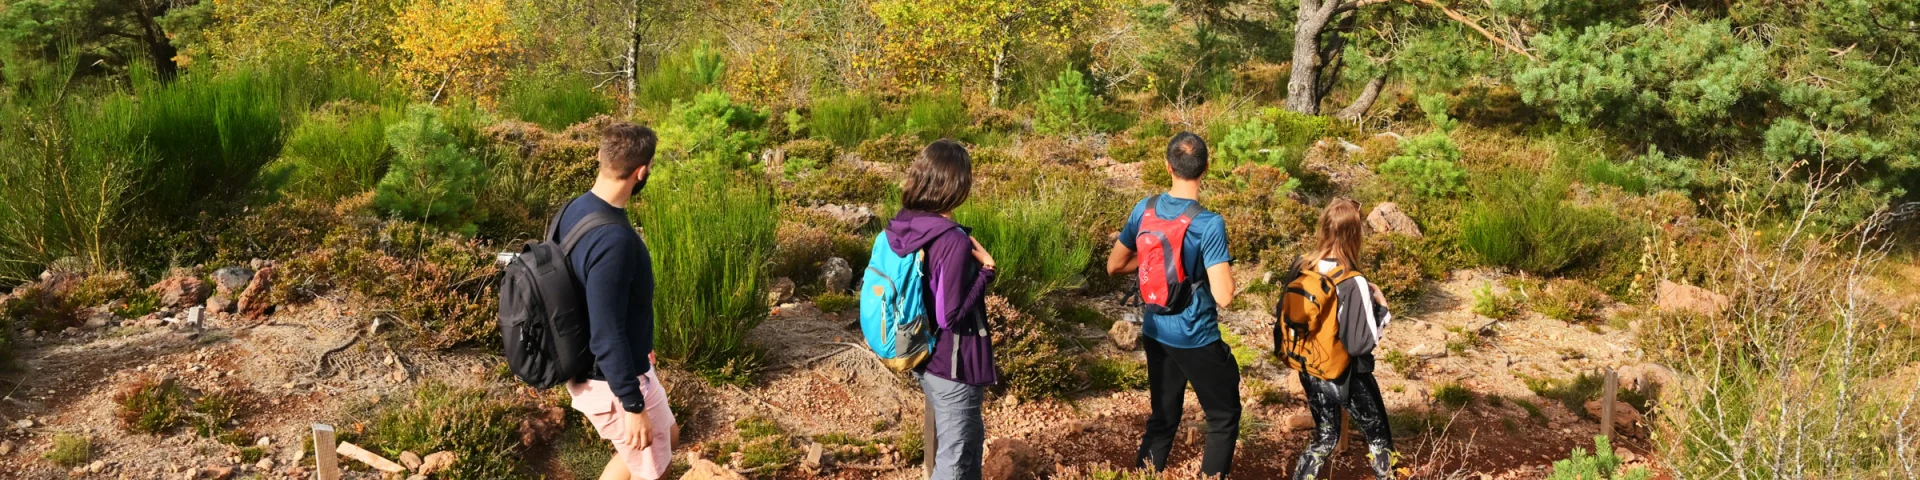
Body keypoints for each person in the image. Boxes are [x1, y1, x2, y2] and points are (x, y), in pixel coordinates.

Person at [1106, 132, 1240, 477]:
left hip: (1155, 328)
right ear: (1206, 168)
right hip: (1196, 335)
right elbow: (1224, 296)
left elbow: (1115, 265)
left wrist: (1150, 261)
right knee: (1223, 418)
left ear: (1168, 166)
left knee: (1163, 418)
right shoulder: (1208, 223)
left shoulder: (1144, 209)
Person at [556, 122, 675, 480]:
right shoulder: (614, 241)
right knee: (655, 471)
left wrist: (643, 344)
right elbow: (606, 334)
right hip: (610, 378)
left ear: (600, 157)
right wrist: (632, 404)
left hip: (618, 364)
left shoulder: (574, 209)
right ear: (642, 171)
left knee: (668, 433)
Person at [884, 139, 999, 480]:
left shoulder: (906, 224)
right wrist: (986, 273)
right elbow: (950, 314)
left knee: (969, 443)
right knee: (955, 461)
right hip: (953, 365)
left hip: (922, 351)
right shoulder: (951, 239)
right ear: (958, 185)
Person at [1287, 198, 1396, 480]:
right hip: (1345, 377)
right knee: (1379, 440)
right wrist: (1382, 309)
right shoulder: (1352, 280)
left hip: (1309, 368)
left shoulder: (1302, 265)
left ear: (1324, 229)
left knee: (1325, 436)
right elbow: (1361, 342)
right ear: (1355, 234)